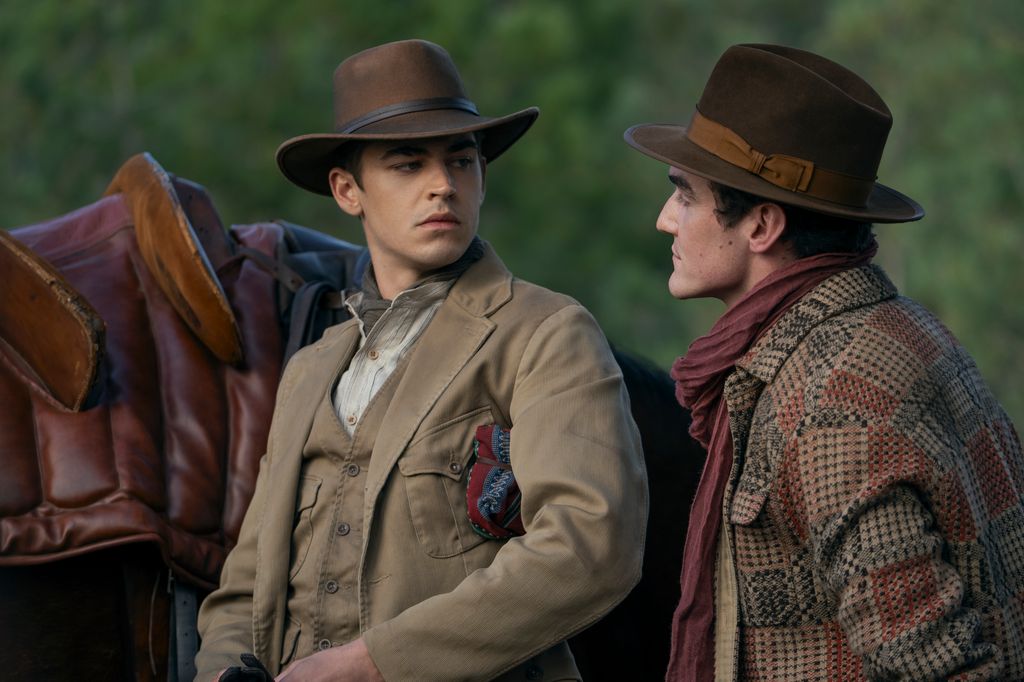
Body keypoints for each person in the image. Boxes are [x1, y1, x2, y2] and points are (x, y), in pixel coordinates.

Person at [195, 39, 647, 681]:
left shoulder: (546, 333)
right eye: (408, 165)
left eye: (462, 162)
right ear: (348, 190)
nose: (442, 185)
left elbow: (591, 546)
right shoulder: (311, 369)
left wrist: (375, 665)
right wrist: (218, 674)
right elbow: (243, 590)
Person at [624, 43, 1024, 681]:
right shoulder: (898, 326)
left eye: (685, 195)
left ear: (761, 227)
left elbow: (934, 667)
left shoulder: (830, 405)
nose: (665, 219)